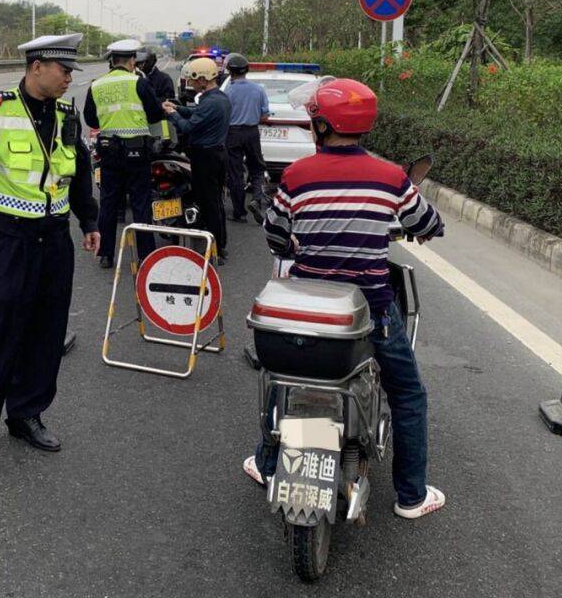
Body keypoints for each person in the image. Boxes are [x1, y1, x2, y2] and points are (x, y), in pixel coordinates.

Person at [242, 78, 447, 520]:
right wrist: (419, 226)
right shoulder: (392, 177)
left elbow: (275, 235)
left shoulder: (296, 174)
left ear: (320, 125)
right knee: (409, 395)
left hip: (308, 308)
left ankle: (266, 462)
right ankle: (411, 495)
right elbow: (427, 222)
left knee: (286, 378)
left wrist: (294, 245)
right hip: (371, 307)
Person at [0, 33, 100, 464]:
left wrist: (89, 221)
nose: (69, 78)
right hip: (13, 239)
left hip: (55, 240)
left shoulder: (66, 113)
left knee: (46, 331)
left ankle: (26, 414)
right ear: (36, 67)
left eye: (72, 71)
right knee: (1, 331)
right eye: (64, 70)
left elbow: (79, 168)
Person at [84, 38, 165, 269]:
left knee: (109, 202)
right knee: (140, 203)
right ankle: (145, 256)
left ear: (111, 61)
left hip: (109, 152)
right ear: (131, 60)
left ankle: (106, 254)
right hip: (137, 152)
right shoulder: (138, 82)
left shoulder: (96, 84)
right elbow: (155, 113)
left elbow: (91, 119)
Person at [162, 57, 231, 263]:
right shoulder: (218, 98)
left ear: (203, 79)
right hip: (216, 154)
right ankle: (220, 245)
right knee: (215, 202)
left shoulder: (210, 102)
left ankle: (214, 250)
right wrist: (178, 108)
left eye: (193, 80)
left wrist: (172, 114)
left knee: (208, 203)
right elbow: (196, 114)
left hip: (205, 157)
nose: (190, 84)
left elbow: (187, 127)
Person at [221, 53, 270, 224]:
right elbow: (265, 116)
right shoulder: (258, 89)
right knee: (257, 168)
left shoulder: (227, 91)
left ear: (230, 71)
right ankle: (256, 199)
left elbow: (223, 116)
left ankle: (239, 212)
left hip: (232, 134)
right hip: (252, 132)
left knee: (235, 173)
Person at [136, 48, 176, 145]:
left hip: (159, 125)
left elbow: (168, 101)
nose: (139, 66)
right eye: (137, 63)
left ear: (151, 62)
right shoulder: (134, 79)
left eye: (142, 63)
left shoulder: (164, 79)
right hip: (138, 126)